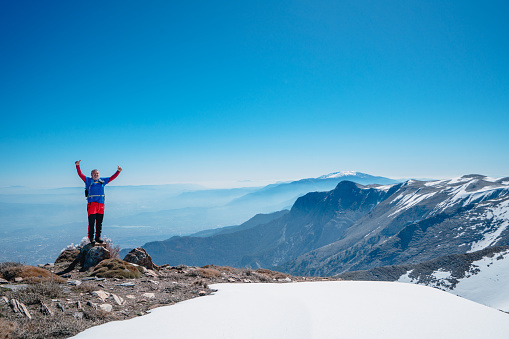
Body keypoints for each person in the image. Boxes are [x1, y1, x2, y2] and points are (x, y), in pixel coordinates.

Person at [75, 160, 122, 243]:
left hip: (101, 204)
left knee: (99, 222)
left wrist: (118, 171)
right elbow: (80, 174)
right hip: (92, 204)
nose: (96, 174)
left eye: (97, 173)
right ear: (91, 174)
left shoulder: (102, 181)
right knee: (92, 222)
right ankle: (91, 238)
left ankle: (98, 237)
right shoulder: (88, 180)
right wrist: (77, 166)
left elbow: (112, 178)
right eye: (94, 173)